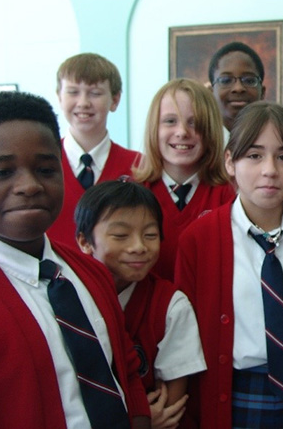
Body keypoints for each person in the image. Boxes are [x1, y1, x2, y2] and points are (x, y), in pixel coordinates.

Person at [0, 91, 150, 428]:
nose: (29, 185)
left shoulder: (90, 274)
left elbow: (125, 373)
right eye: (1, 172)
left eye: (45, 169)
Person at [175, 101, 283, 428]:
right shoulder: (199, 239)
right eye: (255, 155)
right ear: (230, 162)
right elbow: (182, 339)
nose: (270, 170)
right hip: (233, 396)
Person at [75, 180, 207, 429]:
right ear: (85, 242)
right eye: (121, 236)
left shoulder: (171, 306)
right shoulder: (69, 297)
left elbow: (168, 409)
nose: (138, 247)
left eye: (150, 235)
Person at [133, 78, 235, 280]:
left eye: (194, 123)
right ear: (154, 128)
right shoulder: (132, 195)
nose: (182, 132)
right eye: (170, 121)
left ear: (211, 132)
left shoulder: (231, 196)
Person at [49, 53, 141, 249]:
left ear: (115, 100)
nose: (83, 102)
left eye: (95, 93)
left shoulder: (140, 167)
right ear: (59, 97)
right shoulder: (42, 164)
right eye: (73, 92)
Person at [208, 41, 266, 145]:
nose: (238, 88)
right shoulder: (198, 144)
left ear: (262, 92)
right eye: (226, 80)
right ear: (210, 93)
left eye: (249, 80)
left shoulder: (278, 141)